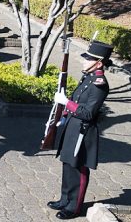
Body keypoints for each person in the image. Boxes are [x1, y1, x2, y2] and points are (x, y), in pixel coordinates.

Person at [47, 41, 113, 220]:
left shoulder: (99, 84)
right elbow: (77, 99)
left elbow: (88, 113)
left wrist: (66, 103)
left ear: (98, 63)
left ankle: (74, 207)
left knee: (78, 168)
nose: (84, 61)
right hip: (73, 125)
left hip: (84, 131)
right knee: (67, 163)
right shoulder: (88, 78)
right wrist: (64, 115)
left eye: (88, 59)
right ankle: (65, 199)